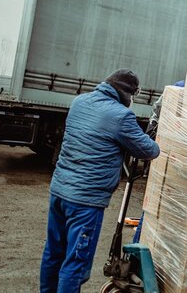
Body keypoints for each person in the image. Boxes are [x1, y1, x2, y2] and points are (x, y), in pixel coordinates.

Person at [40, 69, 160, 293]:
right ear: (126, 94)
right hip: (85, 202)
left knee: (53, 253)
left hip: (59, 191)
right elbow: (149, 150)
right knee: (75, 263)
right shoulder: (120, 116)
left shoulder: (79, 102)